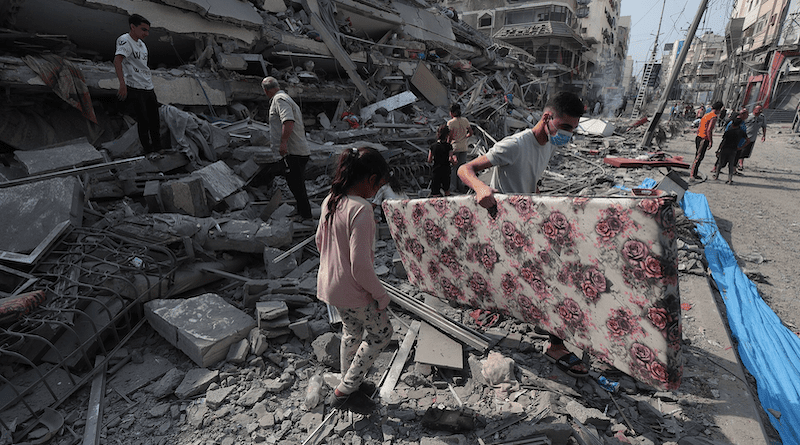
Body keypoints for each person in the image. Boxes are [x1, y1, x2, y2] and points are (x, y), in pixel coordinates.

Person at [458, 91, 589, 378]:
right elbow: (465, 169)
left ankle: (543, 328)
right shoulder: (516, 144)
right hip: (505, 226)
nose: (568, 134)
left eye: (573, 129)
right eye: (564, 127)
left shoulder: (548, 146)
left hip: (526, 224)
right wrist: (481, 188)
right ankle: (556, 344)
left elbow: (530, 179)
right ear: (547, 117)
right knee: (549, 279)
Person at [315, 147, 394, 414]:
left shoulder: (331, 200)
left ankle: (352, 381)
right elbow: (361, 267)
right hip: (353, 289)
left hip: (329, 285)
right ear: (371, 179)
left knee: (351, 332)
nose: (378, 190)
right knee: (382, 334)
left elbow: (319, 241)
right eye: (379, 183)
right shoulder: (362, 210)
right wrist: (381, 295)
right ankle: (345, 391)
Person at [262, 76, 313, 221]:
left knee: (297, 185)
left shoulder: (279, 100)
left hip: (294, 152)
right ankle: (300, 212)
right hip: (296, 151)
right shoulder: (285, 98)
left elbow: (288, 121)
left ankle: (306, 216)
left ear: (266, 91)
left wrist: (283, 143)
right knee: (294, 183)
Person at [114, 14, 161, 154]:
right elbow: (118, 61)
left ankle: (158, 149)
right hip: (135, 87)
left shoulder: (142, 45)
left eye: (147, 30)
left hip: (148, 86)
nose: (146, 33)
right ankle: (148, 150)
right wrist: (122, 84)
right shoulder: (125, 40)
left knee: (155, 119)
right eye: (143, 29)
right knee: (143, 120)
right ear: (132, 27)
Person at [689, 101, 722, 180]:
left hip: (699, 137)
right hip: (704, 138)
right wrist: (711, 141)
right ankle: (692, 174)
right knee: (699, 157)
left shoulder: (706, 115)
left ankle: (694, 173)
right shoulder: (713, 117)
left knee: (697, 156)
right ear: (718, 109)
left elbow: (700, 126)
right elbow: (709, 130)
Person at [446, 104, 473, 193]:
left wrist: (447, 145)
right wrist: (465, 137)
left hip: (455, 147)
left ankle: (453, 187)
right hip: (464, 147)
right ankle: (461, 186)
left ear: (452, 113)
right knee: (462, 168)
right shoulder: (465, 120)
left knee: (454, 168)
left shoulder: (450, 123)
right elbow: (471, 132)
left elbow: (449, 137)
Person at [713, 117, 747, 184]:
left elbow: (723, 142)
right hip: (734, 150)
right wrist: (741, 147)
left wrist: (718, 150)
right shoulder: (741, 132)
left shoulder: (728, 132)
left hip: (725, 149)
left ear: (732, 124)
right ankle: (730, 179)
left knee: (720, 163)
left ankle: (716, 176)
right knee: (731, 165)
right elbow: (748, 140)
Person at [738, 105, 768, 171]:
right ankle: (740, 164)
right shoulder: (748, 116)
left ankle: (738, 162)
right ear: (754, 109)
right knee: (741, 150)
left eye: (760, 110)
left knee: (746, 152)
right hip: (745, 136)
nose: (759, 111)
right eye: (758, 109)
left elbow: (764, 126)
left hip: (752, 137)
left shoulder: (762, 117)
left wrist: (764, 135)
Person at [429, 124, 453, 197]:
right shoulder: (449, 146)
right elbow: (450, 158)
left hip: (436, 170)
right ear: (447, 135)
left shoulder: (433, 146)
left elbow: (429, 159)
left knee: (435, 193)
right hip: (446, 169)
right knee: (447, 191)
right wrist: (454, 162)